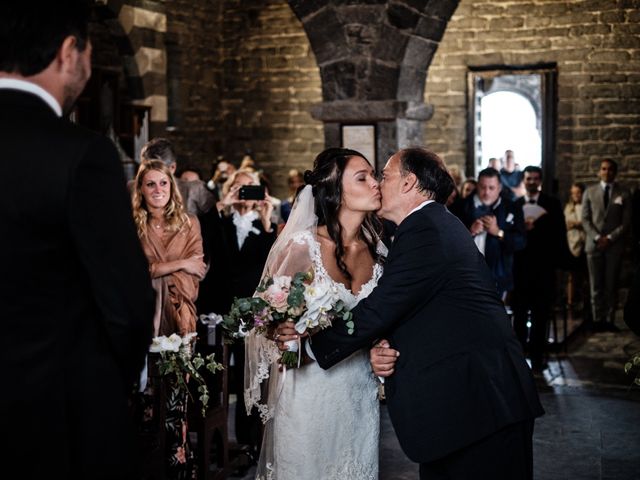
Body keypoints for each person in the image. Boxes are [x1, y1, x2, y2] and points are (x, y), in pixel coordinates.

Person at [278, 148, 543, 480]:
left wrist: (312, 347)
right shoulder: (424, 227)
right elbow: (412, 310)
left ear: (409, 183)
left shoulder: (425, 230)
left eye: (383, 175)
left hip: (479, 405)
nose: (377, 183)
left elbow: (382, 308)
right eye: (367, 177)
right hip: (467, 406)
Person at [0, 2, 156, 478]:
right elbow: (128, 307)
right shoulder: (79, 154)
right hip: (54, 417)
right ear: (70, 52)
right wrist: (107, 384)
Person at [244, 147, 385, 479]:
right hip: (309, 390)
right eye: (362, 177)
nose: (375, 183)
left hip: (357, 391)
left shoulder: (379, 249)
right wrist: (281, 333)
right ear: (335, 191)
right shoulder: (302, 247)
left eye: (374, 175)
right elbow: (264, 317)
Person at [131, 160, 206, 477]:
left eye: (163, 183)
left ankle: (177, 468)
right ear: (141, 190)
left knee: (177, 404)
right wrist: (177, 265)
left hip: (179, 319)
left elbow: (197, 273)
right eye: (150, 184)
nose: (157, 190)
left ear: (171, 187)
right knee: (143, 402)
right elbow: (129, 274)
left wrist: (166, 271)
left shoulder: (189, 224)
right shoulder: (131, 225)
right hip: (140, 321)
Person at [217, 168, 278, 467]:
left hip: (252, 312)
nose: (245, 194)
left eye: (250, 188)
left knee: (249, 375)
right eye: (239, 188)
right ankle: (217, 440)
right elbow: (217, 255)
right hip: (220, 309)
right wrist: (225, 204)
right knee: (218, 374)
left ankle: (249, 440)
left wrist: (266, 217)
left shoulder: (267, 226)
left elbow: (272, 266)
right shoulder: (222, 222)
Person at [512, 166, 568, 372]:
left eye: (535, 178)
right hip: (520, 271)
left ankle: (537, 360)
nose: (532, 182)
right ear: (524, 181)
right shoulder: (515, 204)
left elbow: (559, 234)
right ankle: (518, 360)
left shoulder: (552, 204)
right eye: (529, 178)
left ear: (540, 180)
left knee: (540, 316)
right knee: (519, 317)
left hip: (544, 270)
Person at [455, 167, 527, 301]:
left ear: (499, 188)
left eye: (491, 188)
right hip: (465, 276)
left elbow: (521, 242)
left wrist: (498, 232)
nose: (486, 192)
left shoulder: (512, 208)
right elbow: (448, 241)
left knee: (493, 319)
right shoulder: (460, 206)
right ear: (477, 186)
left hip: (498, 277)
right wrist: (469, 232)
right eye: (483, 187)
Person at [582, 158, 632, 331]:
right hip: (593, 245)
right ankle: (598, 320)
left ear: (615, 172)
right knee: (595, 285)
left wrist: (609, 238)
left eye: (610, 169)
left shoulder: (624, 193)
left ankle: (609, 320)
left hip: (614, 245)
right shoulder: (589, 191)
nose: (606, 172)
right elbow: (585, 219)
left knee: (611, 285)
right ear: (599, 171)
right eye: (603, 169)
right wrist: (597, 238)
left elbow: (626, 222)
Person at [139, 138, 216, 217]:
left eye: (160, 171)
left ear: (172, 167)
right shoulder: (132, 190)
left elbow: (215, 221)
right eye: (146, 169)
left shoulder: (194, 190)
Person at [564, 182, 588, 311]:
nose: (576, 195)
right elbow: (567, 224)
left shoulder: (586, 206)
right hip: (573, 245)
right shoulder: (568, 207)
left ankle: (585, 303)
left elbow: (586, 223)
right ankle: (570, 303)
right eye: (573, 193)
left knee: (586, 276)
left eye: (578, 193)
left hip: (585, 244)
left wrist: (577, 224)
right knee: (572, 276)